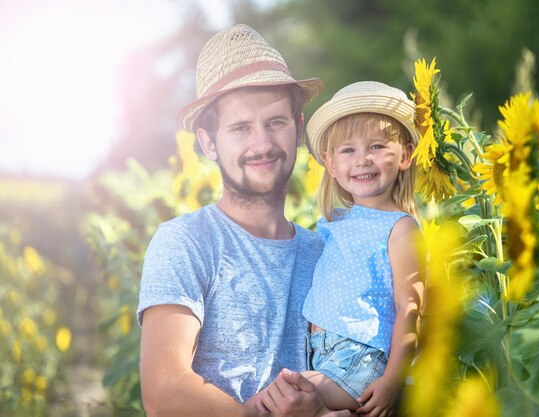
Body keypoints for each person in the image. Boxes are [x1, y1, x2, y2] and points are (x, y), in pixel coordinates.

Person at [137, 24, 349, 417]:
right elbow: (163, 392)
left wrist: (320, 405)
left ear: (298, 129)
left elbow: (357, 380)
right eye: (240, 128)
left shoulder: (326, 254)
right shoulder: (186, 242)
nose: (263, 144)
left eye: (276, 123)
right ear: (209, 143)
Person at [260, 81, 424, 417]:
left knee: (279, 403)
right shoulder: (337, 223)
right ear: (330, 164)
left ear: (405, 155)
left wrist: (393, 380)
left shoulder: (401, 227)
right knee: (283, 398)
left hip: (362, 357)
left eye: (377, 146)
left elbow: (411, 309)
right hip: (323, 355)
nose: (362, 160)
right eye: (348, 150)